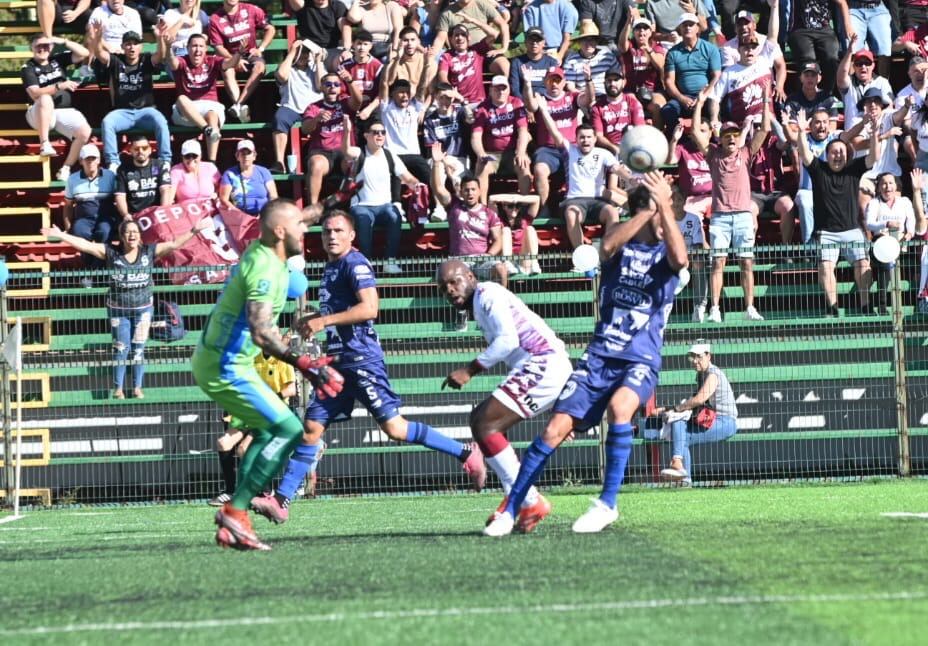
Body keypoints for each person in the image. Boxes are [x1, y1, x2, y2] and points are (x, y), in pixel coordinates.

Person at [484, 171, 688, 537]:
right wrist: (649, 208)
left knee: (620, 409)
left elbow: (682, 258)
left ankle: (607, 504)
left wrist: (663, 209)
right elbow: (605, 248)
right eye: (664, 214)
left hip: (639, 359)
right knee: (554, 430)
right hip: (598, 357)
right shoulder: (621, 243)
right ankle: (511, 508)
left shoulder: (667, 254)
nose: (669, 222)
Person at [250, 210, 487, 525]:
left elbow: (370, 308)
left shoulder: (355, 264)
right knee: (311, 430)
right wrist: (310, 320)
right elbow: (338, 310)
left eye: (338, 230)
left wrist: (324, 320)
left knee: (395, 429)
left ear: (351, 235)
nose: (331, 236)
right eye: (327, 231)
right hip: (336, 364)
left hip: (362, 360)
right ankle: (281, 501)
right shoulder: (331, 268)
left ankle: (466, 453)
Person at [192, 198, 343, 550]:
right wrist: (303, 364)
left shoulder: (265, 249)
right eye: (298, 227)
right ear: (279, 232)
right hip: (225, 365)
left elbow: (299, 216)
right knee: (290, 430)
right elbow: (262, 332)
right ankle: (236, 512)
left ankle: (236, 518)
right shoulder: (265, 271)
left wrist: (335, 198)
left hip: (222, 360)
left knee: (265, 432)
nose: (305, 230)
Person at [437, 259, 573, 530]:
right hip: (539, 366)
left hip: (543, 362)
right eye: (443, 287)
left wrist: (469, 370)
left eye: (454, 282)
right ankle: (518, 499)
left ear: (470, 277)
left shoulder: (488, 294)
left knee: (484, 422)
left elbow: (508, 340)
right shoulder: (481, 303)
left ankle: (527, 500)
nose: (450, 290)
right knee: (483, 422)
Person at [42, 216, 210, 399]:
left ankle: (137, 387)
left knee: (138, 349)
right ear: (122, 236)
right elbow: (86, 245)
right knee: (121, 348)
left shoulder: (148, 251)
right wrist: (62, 235)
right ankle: (118, 388)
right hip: (118, 310)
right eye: (128, 232)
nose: (132, 235)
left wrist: (194, 230)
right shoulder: (111, 252)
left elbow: (174, 244)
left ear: (140, 236)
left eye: (135, 232)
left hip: (143, 310)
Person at [690, 88, 769, 323]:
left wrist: (766, 101)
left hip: (743, 215)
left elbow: (764, 129)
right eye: (727, 135)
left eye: (735, 134)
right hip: (721, 217)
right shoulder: (713, 155)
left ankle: (750, 308)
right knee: (718, 262)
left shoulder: (745, 153)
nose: (732, 138)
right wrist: (700, 103)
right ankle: (714, 308)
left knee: (747, 262)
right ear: (721, 138)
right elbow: (695, 131)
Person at [794, 108, 879, 316]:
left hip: (852, 231)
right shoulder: (818, 169)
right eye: (834, 152)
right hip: (827, 233)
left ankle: (866, 306)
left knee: (863, 263)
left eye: (841, 151)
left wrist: (875, 133)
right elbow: (804, 153)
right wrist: (802, 131)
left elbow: (874, 157)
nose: (838, 155)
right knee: (825, 266)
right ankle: (832, 308)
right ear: (827, 155)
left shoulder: (854, 169)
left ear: (847, 155)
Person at [89, 27, 171, 172]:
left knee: (161, 121)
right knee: (107, 122)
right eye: (128, 44)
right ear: (122, 47)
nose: (132, 47)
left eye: (135, 44)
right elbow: (99, 53)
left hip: (146, 111)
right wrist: (98, 38)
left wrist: (159, 38)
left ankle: (165, 160)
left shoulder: (146, 59)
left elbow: (161, 55)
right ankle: (113, 162)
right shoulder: (116, 61)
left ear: (141, 47)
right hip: (123, 112)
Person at [345, 116, 421, 272]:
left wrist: (416, 185)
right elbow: (346, 151)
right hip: (361, 206)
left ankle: (390, 261)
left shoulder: (389, 155)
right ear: (366, 135)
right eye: (375, 132)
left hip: (384, 206)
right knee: (363, 219)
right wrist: (347, 132)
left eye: (383, 132)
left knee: (395, 216)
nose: (380, 135)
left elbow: (407, 178)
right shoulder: (360, 153)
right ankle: (366, 263)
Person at [656, 340, 737, 485]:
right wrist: (666, 409)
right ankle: (680, 471)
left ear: (708, 356)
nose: (694, 361)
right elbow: (692, 402)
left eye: (699, 356)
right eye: (692, 356)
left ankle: (681, 472)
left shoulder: (713, 374)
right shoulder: (701, 375)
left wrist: (676, 409)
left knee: (681, 435)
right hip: (711, 420)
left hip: (726, 422)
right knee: (680, 430)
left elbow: (699, 399)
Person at [431, 147, 508, 286]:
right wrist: (436, 163)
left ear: (479, 191)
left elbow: (498, 240)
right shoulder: (454, 206)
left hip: (481, 261)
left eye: (473, 189)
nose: (470, 193)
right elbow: (438, 189)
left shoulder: (489, 213)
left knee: (501, 269)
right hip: (459, 260)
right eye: (466, 190)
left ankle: (503, 298)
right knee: (445, 274)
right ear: (461, 192)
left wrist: (489, 255)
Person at [22, 33, 92, 182]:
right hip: (38, 112)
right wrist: (59, 86)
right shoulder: (28, 67)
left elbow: (84, 53)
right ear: (32, 48)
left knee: (85, 132)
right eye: (38, 46)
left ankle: (66, 167)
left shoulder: (57, 60)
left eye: (46, 46)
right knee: (45, 98)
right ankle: (44, 143)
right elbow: (34, 93)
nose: (42, 49)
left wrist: (63, 41)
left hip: (62, 111)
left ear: (51, 47)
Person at [162, 32, 241, 162]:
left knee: (212, 115)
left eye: (201, 46)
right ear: (187, 48)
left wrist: (239, 53)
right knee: (181, 99)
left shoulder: (212, 60)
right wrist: (169, 46)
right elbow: (172, 62)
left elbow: (229, 64)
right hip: (186, 112)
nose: (197, 50)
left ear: (205, 49)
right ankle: (207, 129)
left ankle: (212, 162)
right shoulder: (182, 61)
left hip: (210, 105)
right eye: (194, 46)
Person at [208, 0, 276, 123]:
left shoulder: (251, 9)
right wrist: (235, 59)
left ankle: (238, 105)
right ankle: (240, 107)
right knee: (227, 70)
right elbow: (218, 47)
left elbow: (270, 29)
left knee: (260, 67)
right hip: (229, 56)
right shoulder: (215, 18)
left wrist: (261, 48)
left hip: (250, 54)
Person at [865, 171, 922, 313]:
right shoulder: (874, 203)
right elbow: (869, 223)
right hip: (882, 242)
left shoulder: (905, 201)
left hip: (902, 241)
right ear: (879, 187)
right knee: (886, 261)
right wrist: (886, 223)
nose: (887, 186)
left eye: (890, 183)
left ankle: (915, 302)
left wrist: (909, 233)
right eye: (883, 183)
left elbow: (911, 220)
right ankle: (883, 304)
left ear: (896, 186)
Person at [302, 72, 363, 204]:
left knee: (353, 163)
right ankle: (313, 207)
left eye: (336, 84)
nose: (332, 87)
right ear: (322, 87)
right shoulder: (314, 107)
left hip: (344, 150)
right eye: (328, 84)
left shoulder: (346, 103)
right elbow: (305, 129)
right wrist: (316, 119)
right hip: (322, 152)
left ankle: (353, 205)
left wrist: (350, 81)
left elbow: (359, 101)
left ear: (340, 88)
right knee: (316, 164)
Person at [471, 75, 532, 202]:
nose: (501, 92)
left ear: (509, 90)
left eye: (503, 88)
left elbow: (523, 131)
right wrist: (481, 153)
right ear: (490, 90)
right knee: (481, 166)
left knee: (524, 164)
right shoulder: (482, 108)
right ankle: (482, 206)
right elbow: (476, 136)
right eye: (497, 89)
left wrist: (521, 152)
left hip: (512, 152)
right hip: (491, 154)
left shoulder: (516, 103)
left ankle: (525, 205)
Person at [661, 12, 721, 134]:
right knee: (668, 110)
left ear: (697, 28)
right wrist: (682, 98)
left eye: (691, 25)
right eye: (684, 25)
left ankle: (716, 140)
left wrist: (704, 95)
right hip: (683, 97)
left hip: (706, 95)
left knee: (716, 108)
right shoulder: (672, 53)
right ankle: (676, 140)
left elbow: (716, 76)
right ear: (680, 29)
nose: (688, 27)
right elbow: (669, 82)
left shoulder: (710, 49)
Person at [272, 39, 325, 174]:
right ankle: (279, 162)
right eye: (299, 52)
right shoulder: (287, 67)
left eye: (306, 52)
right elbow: (281, 76)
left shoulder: (315, 67)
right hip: (292, 107)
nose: (303, 56)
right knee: (280, 118)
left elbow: (321, 86)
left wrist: (318, 61)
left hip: (313, 108)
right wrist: (292, 53)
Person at [63, 144, 118, 267]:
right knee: (79, 231)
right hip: (83, 219)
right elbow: (68, 205)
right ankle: (92, 268)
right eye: (87, 159)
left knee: (105, 232)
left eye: (93, 158)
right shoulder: (72, 179)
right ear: (81, 161)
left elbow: (119, 198)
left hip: (105, 217)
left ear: (99, 160)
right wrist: (68, 227)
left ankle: (96, 270)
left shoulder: (110, 176)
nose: (90, 162)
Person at [617, 15, 667, 127]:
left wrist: (649, 50)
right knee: (632, 106)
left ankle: (658, 134)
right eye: (638, 28)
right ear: (633, 31)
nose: (642, 31)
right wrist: (628, 23)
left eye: (645, 28)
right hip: (631, 90)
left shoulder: (656, 47)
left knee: (658, 106)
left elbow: (660, 65)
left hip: (653, 89)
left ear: (650, 32)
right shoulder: (630, 45)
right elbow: (622, 45)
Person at [836, 39, 894, 128]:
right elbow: (841, 74)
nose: (863, 66)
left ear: (873, 65)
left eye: (867, 63)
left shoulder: (882, 82)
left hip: (877, 129)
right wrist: (849, 52)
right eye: (859, 63)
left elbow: (889, 107)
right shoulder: (848, 81)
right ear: (854, 66)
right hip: (853, 132)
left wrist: (872, 119)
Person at [114, 134, 173, 220]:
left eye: (144, 148)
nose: (140, 151)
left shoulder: (159, 165)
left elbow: (166, 191)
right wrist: (126, 215)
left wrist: (163, 212)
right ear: (130, 150)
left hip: (156, 214)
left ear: (150, 150)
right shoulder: (123, 170)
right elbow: (120, 196)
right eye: (136, 149)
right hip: (133, 216)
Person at [287, 0, 352, 71]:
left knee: (344, 61)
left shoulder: (337, 6)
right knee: (303, 61)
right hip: (310, 51)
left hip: (333, 50)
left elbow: (345, 27)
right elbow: (296, 3)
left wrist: (347, 50)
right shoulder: (303, 4)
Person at [219, 139, 278, 216]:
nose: (246, 156)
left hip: (263, 214)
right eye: (243, 153)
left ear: (254, 156)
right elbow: (224, 199)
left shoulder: (264, 172)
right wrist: (240, 215)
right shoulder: (229, 174)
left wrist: (265, 214)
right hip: (238, 215)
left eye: (249, 153)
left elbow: (273, 196)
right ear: (237, 156)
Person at [489, 193, 542, 275]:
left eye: (517, 206)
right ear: (504, 206)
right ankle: (507, 263)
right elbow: (491, 199)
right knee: (506, 230)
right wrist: (509, 199)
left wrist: (517, 199)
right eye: (510, 206)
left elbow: (537, 199)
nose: (514, 209)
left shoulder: (525, 220)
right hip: (505, 258)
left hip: (523, 259)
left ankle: (534, 262)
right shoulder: (498, 220)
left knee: (530, 229)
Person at [562, 20, 617, 97]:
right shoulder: (571, 60)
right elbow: (570, 85)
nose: (588, 43)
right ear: (579, 42)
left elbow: (618, 77)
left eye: (592, 39)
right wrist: (585, 97)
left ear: (597, 41)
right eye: (585, 40)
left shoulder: (607, 56)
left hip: (605, 96)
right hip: (583, 96)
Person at [507, 26, 559, 99]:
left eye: (538, 40)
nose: (534, 43)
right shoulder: (517, 62)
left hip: (547, 100)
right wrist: (526, 102)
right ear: (525, 42)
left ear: (543, 43)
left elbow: (555, 86)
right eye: (531, 39)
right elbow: (515, 89)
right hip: (524, 100)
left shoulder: (552, 62)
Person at [169, 139, 220, 203]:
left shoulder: (210, 167)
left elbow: (222, 187)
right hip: (186, 207)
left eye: (194, 156)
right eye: (187, 156)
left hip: (209, 206)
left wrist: (216, 194)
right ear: (182, 157)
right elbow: (169, 197)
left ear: (200, 155)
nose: (191, 159)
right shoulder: (176, 171)